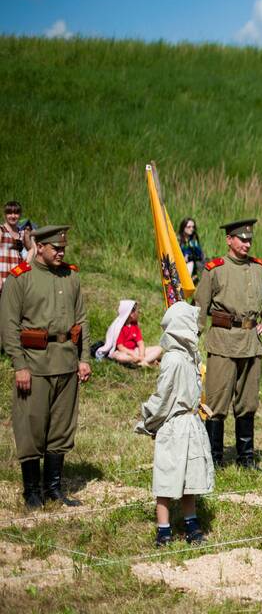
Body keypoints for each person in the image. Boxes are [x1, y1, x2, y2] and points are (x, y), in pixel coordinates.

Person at [0, 225, 91, 509]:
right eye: (55, 248)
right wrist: (19, 365)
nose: (61, 252)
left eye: (63, 248)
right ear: (39, 247)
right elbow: (9, 326)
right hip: (34, 363)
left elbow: (82, 320)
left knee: (61, 427)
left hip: (65, 362)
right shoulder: (20, 279)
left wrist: (84, 357)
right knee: (31, 426)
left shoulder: (71, 276)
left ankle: (53, 488)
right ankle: (32, 492)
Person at [194, 219, 262, 468]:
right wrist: (192, 338)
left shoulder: (259, 269)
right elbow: (200, 306)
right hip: (222, 341)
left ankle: (246, 458)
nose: (247, 243)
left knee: (248, 402)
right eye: (242, 239)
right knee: (216, 402)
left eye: (249, 239)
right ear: (229, 240)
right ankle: (214, 458)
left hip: (251, 343)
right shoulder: (215, 269)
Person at [134, 301, 214, 547]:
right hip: (174, 425)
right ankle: (164, 529)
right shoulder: (173, 360)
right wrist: (150, 420)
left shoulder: (189, 358)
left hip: (191, 424)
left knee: (190, 476)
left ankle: (191, 523)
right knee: (167, 477)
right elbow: (164, 396)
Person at [98, 300, 163, 367]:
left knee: (159, 349)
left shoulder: (134, 326)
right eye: (137, 311)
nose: (139, 313)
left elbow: (140, 343)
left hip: (135, 350)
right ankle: (147, 361)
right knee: (120, 357)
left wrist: (141, 355)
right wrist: (132, 354)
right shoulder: (120, 328)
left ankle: (142, 362)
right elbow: (120, 347)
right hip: (123, 352)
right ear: (131, 314)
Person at [1, 201, 33, 291]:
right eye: (9, 213)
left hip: (16, 276)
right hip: (2, 275)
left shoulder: (21, 233)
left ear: (20, 214)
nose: (13, 216)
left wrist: (25, 265)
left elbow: (31, 249)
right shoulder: (1, 230)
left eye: (16, 213)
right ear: (5, 214)